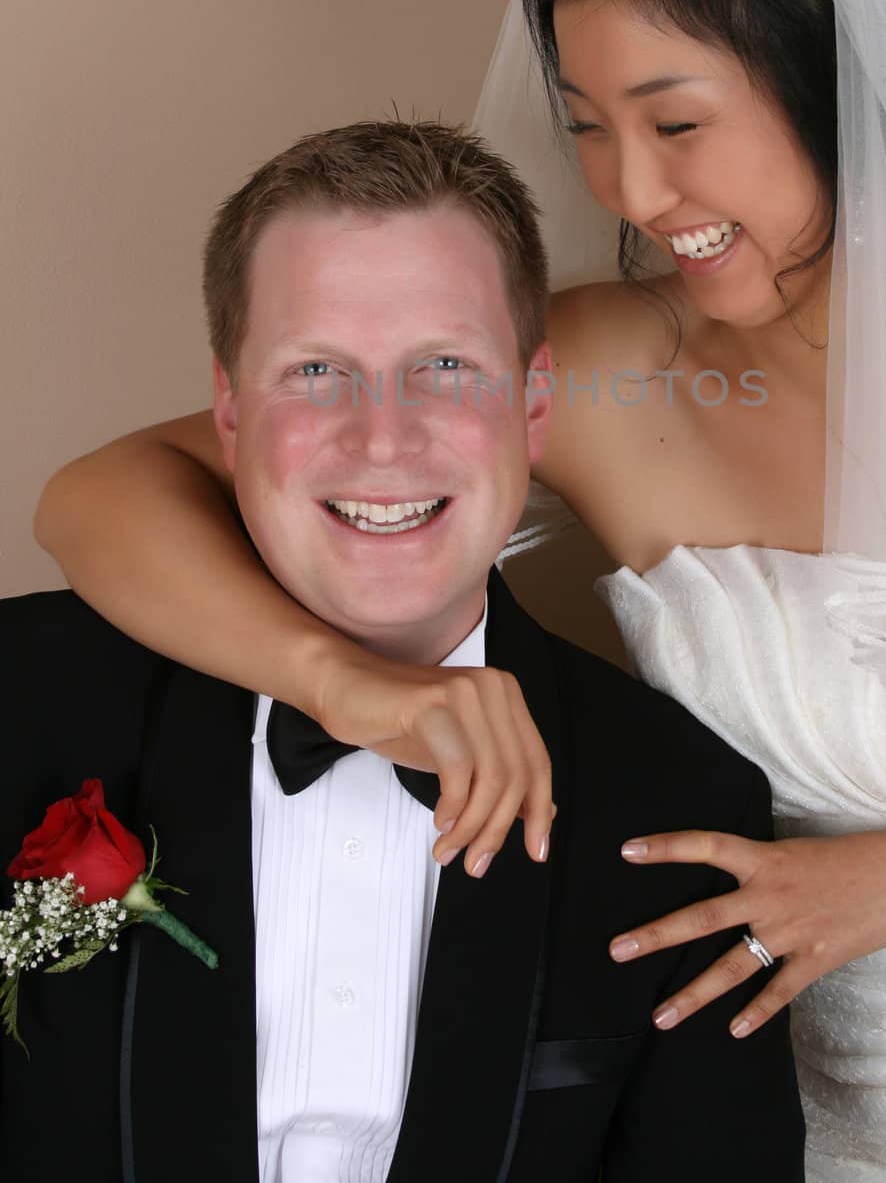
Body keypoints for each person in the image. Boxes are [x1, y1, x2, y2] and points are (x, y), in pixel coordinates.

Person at [34, 0, 886, 1178]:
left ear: (841, 75)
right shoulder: (597, 364)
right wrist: (345, 686)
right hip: (780, 1130)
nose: (633, 193)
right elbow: (96, 497)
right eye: (586, 126)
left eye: (677, 122)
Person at [4, 120, 804, 1182]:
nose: (381, 438)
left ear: (531, 404)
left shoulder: (677, 805)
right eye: (317, 369)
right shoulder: (23, 701)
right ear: (230, 413)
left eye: (443, 364)